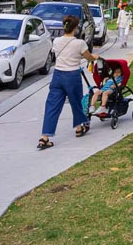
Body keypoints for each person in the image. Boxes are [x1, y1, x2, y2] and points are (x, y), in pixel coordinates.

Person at [37, 15, 99, 150]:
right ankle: (79, 127)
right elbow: (88, 57)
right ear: (76, 28)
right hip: (72, 76)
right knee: (76, 103)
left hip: (57, 76)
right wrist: (95, 57)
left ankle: (44, 137)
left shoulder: (56, 41)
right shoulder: (80, 43)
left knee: (52, 106)